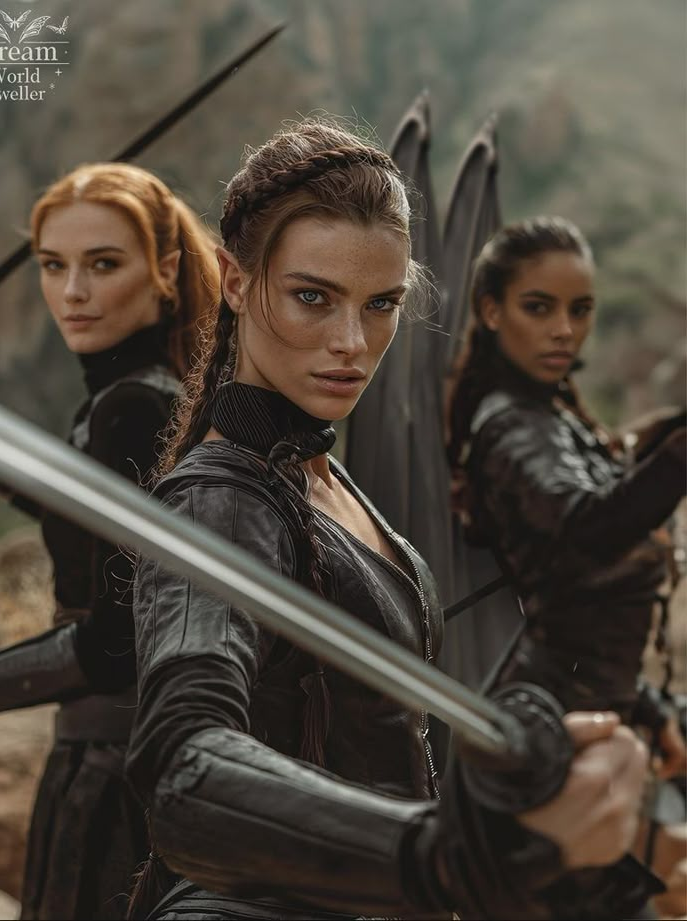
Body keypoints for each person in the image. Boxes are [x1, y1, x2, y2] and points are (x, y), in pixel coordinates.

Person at [124, 120, 650, 921]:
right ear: (234, 281)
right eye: (313, 296)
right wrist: (445, 855)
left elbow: (391, 757)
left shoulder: (331, 486)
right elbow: (179, 769)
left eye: (381, 304)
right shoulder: (218, 503)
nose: (352, 343)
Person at [0, 162, 220, 920]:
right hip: (116, 761)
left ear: (165, 271)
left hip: (115, 772)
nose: (72, 292)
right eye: (53, 266)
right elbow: (80, 518)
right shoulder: (133, 397)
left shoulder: (134, 406)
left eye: (104, 264)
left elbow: (114, 639)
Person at [446, 216, 687, 775]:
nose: (564, 330)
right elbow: (588, 530)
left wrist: (647, 711)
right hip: (547, 732)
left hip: (593, 715)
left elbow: (580, 606)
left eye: (580, 310)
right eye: (539, 307)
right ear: (491, 311)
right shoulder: (512, 428)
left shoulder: (551, 417)